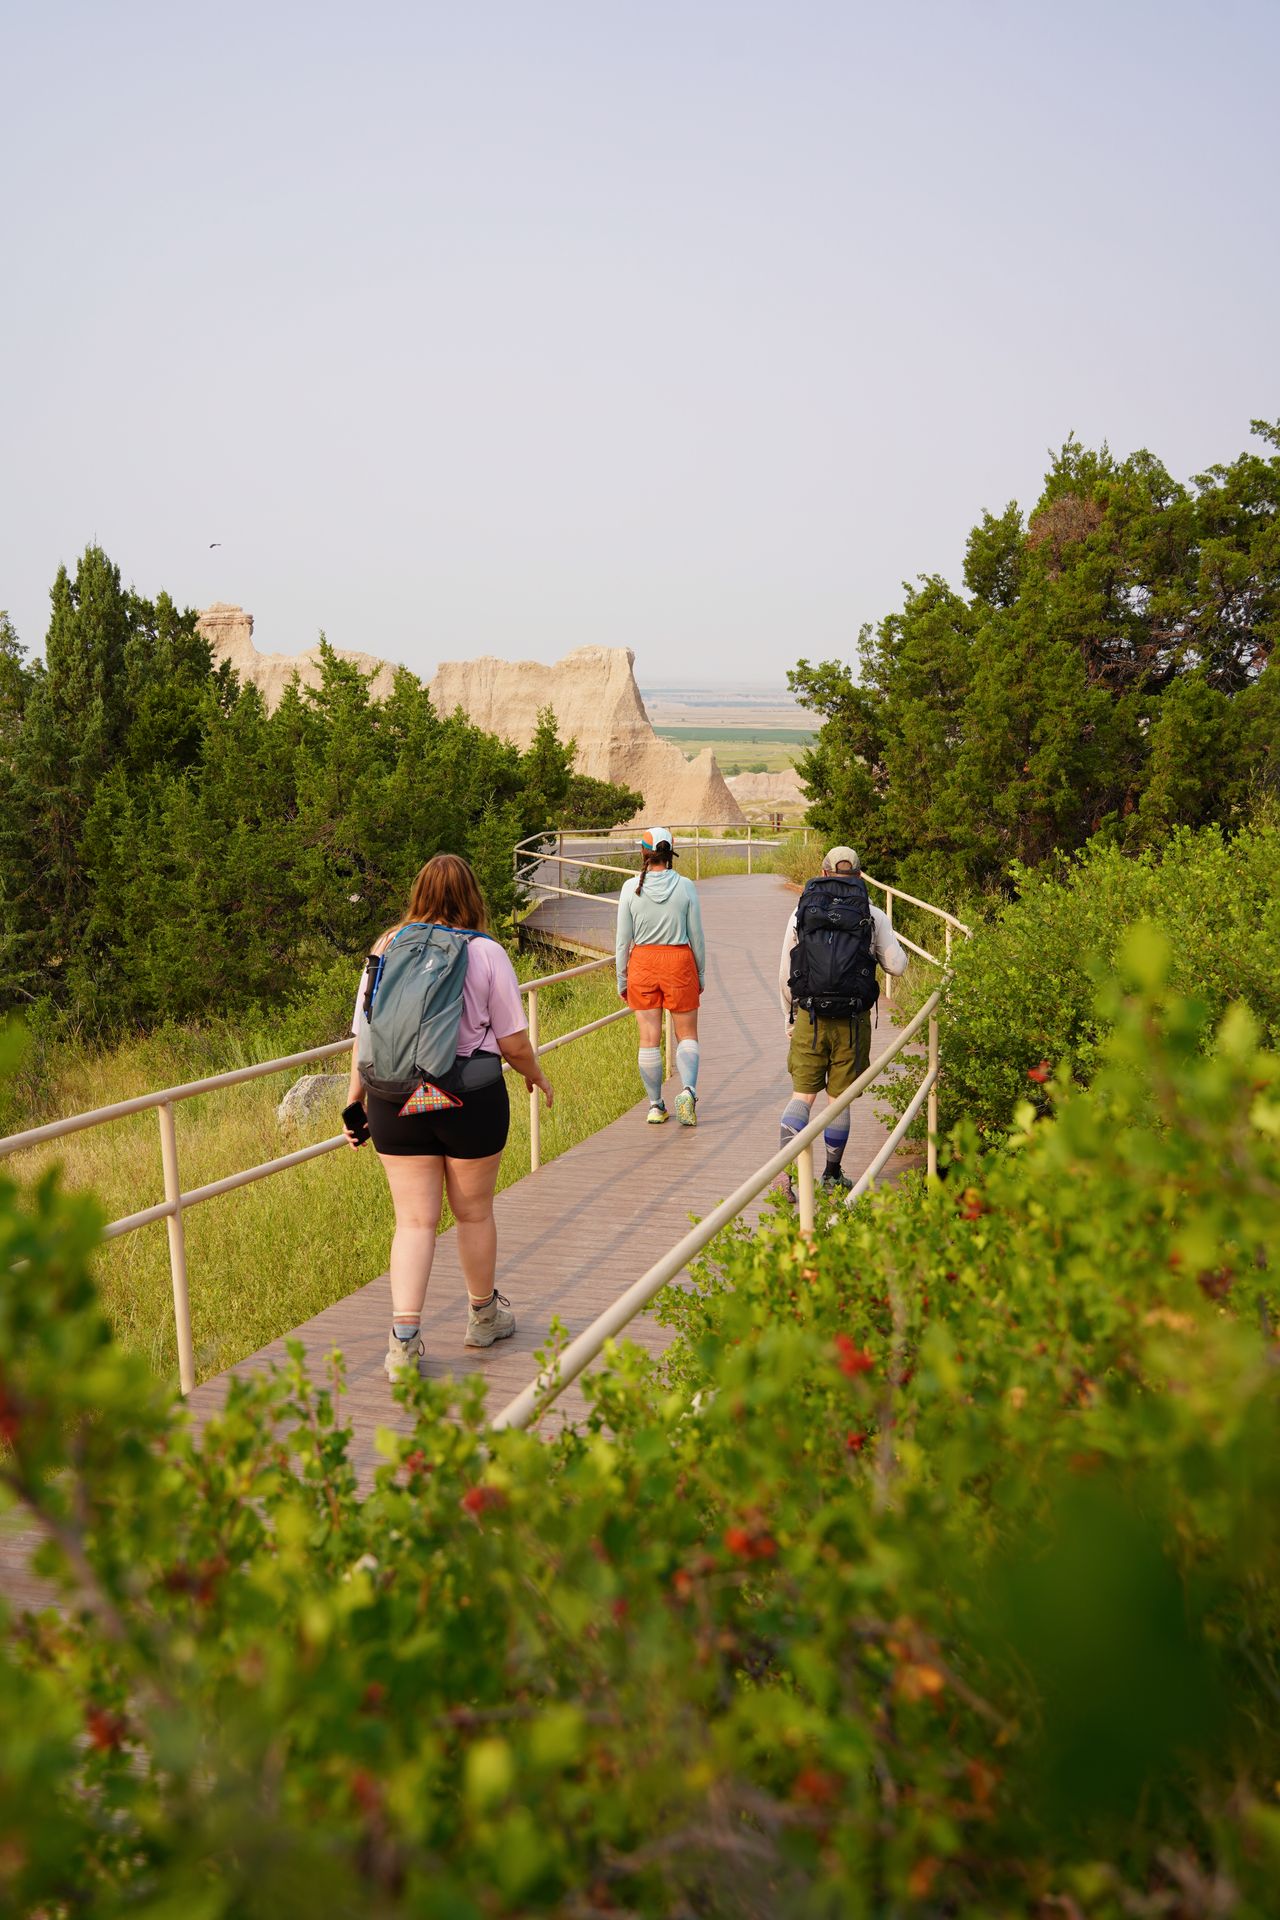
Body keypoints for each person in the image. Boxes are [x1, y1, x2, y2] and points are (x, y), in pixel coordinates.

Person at [343, 853, 554, 1382]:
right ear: (471, 897)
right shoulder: (486, 952)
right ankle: (483, 1316)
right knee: (474, 1212)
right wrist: (536, 1075)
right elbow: (512, 1040)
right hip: (467, 1097)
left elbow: (364, 1036)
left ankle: (403, 1342)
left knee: (413, 1221)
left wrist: (356, 1102)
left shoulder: (385, 947)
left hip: (394, 1098)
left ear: (418, 894)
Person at [775, 845, 907, 1199]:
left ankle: (786, 1174)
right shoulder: (874, 914)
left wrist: (790, 1017)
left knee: (802, 1096)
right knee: (838, 1100)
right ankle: (831, 1174)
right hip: (851, 1020)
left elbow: (787, 971)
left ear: (823, 872)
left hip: (810, 1016)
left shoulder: (800, 912)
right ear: (860, 877)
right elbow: (897, 966)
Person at [614, 826, 706, 1127]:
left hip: (642, 963)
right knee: (687, 1035)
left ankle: (655, 1105)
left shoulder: (630, 889)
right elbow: (697, 937)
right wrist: (700, 974)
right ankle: (688, 1092)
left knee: (649, 1039)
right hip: (678, 960)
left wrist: (622, 978)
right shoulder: (686, 886)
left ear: (643, 853)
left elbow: (622, 941)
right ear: (671, 854)